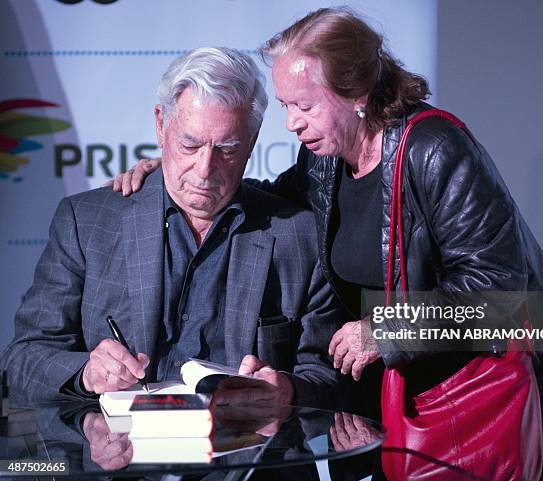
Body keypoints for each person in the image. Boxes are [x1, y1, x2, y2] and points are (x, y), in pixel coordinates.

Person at [110, 7, 543, 480]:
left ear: (357, 94)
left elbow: (499, 296)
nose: (291, 123)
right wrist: (179, 176)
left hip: (467, 406)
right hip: (395, 405)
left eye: (305, 105)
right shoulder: (325, 158)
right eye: (286, 105)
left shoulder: (437, 151)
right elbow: (271, 201)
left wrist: (384, 330)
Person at [0, 47, 345, 410]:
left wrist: (286, 390)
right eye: (190, 144)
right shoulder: (86, 222)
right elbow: (21, 361)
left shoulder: (301, 237)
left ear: (253, 141)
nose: (203, 169)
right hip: (121, 458)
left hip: (250, 461)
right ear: (161, 125)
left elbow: (331, 378)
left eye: (227, 149)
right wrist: (87, 373)